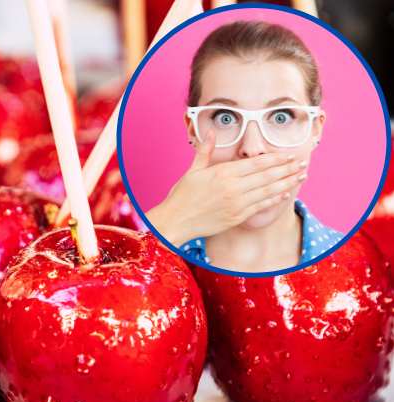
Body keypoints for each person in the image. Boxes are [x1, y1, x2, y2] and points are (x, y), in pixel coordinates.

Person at [147, 20, 343, 273]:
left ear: (315, 128)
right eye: (225, 117)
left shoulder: (356, 266)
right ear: (192, 128)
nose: (252, 148)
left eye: (280, 116)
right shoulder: (159, 265)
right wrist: (170, 221)